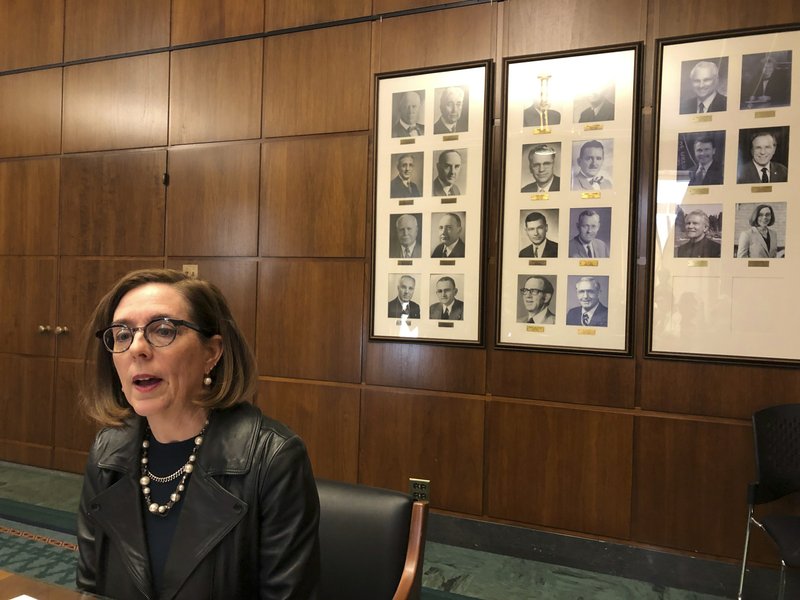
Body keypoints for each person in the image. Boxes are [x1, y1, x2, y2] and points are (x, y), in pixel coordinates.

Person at [76, 269, 319, 598]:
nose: (137, 348)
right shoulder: (107, 452)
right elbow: (92, 588)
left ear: (212, 353)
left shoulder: (274, 459)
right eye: (121, 335)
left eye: (162, 330)